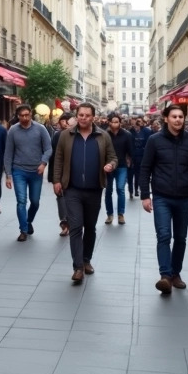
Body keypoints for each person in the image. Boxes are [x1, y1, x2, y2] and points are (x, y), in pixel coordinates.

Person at [139, 104, 188, 295]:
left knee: (181, 238)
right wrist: (145, 195)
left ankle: (176, 274)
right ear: (166, 118)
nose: (178, 120)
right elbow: (145, 168)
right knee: (164, 235)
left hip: (184, 196)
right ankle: (165, 276)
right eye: (174, 116)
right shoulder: (154, 140)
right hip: (162, 196)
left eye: (181, 117)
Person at [52, 103, 117, 284]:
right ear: (76, 115)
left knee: (90, 227)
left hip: (94, 189)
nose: (83, 118)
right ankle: (77, 267)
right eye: (80, 115)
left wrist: (110, 165)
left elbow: (113, 157)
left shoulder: (103, 136)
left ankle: (86, 259)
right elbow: (58, 158)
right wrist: (57, 180)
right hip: (72, 189)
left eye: (87, 115)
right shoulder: (66, 135)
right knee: (75, 226)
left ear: (93, 117)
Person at [4, 104, 52, 242]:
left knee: (35, 202)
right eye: (22, 116)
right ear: (17, 116)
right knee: (21, 201)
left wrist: (43, 163)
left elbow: (48, 149)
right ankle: (23, 230)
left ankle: (28, 220)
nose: (25, 118)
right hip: (19, 170)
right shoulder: (13, 130)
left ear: (31, 114)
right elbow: (8, 153)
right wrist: (8, 175)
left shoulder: (40, 129)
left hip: (36, 171)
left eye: (27, 115)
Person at [49, 112, 74, 236]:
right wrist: (54, 178)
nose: (65, 123)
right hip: (60, 172)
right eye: (63, 121)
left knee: (73, 198)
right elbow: (53, 157)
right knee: (60, 197)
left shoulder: (79, 135)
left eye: (67, 121)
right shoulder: (57, 135)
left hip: (74, 172)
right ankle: (64, 223)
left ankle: (72, 222)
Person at [105, 114, 133, 224]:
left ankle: (121, 214)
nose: (115, 124)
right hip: (108, 166)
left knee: (120, 189)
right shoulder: (105, 135)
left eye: (117, 122)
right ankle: (109, 214)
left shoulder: (126, 135)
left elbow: (131, 150)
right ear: (109, 122)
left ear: (120, 123)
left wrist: (130, 161)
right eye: (113, 121)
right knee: (108, 191)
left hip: (122, 165)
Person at [130, 117, 151, 199]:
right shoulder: (131, 132)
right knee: (136, 173)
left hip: (143, 155)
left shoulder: (146, 131)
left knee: (143, 172)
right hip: (134, 155)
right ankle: (135, 189)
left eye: (139, 122)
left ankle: (142, 189)